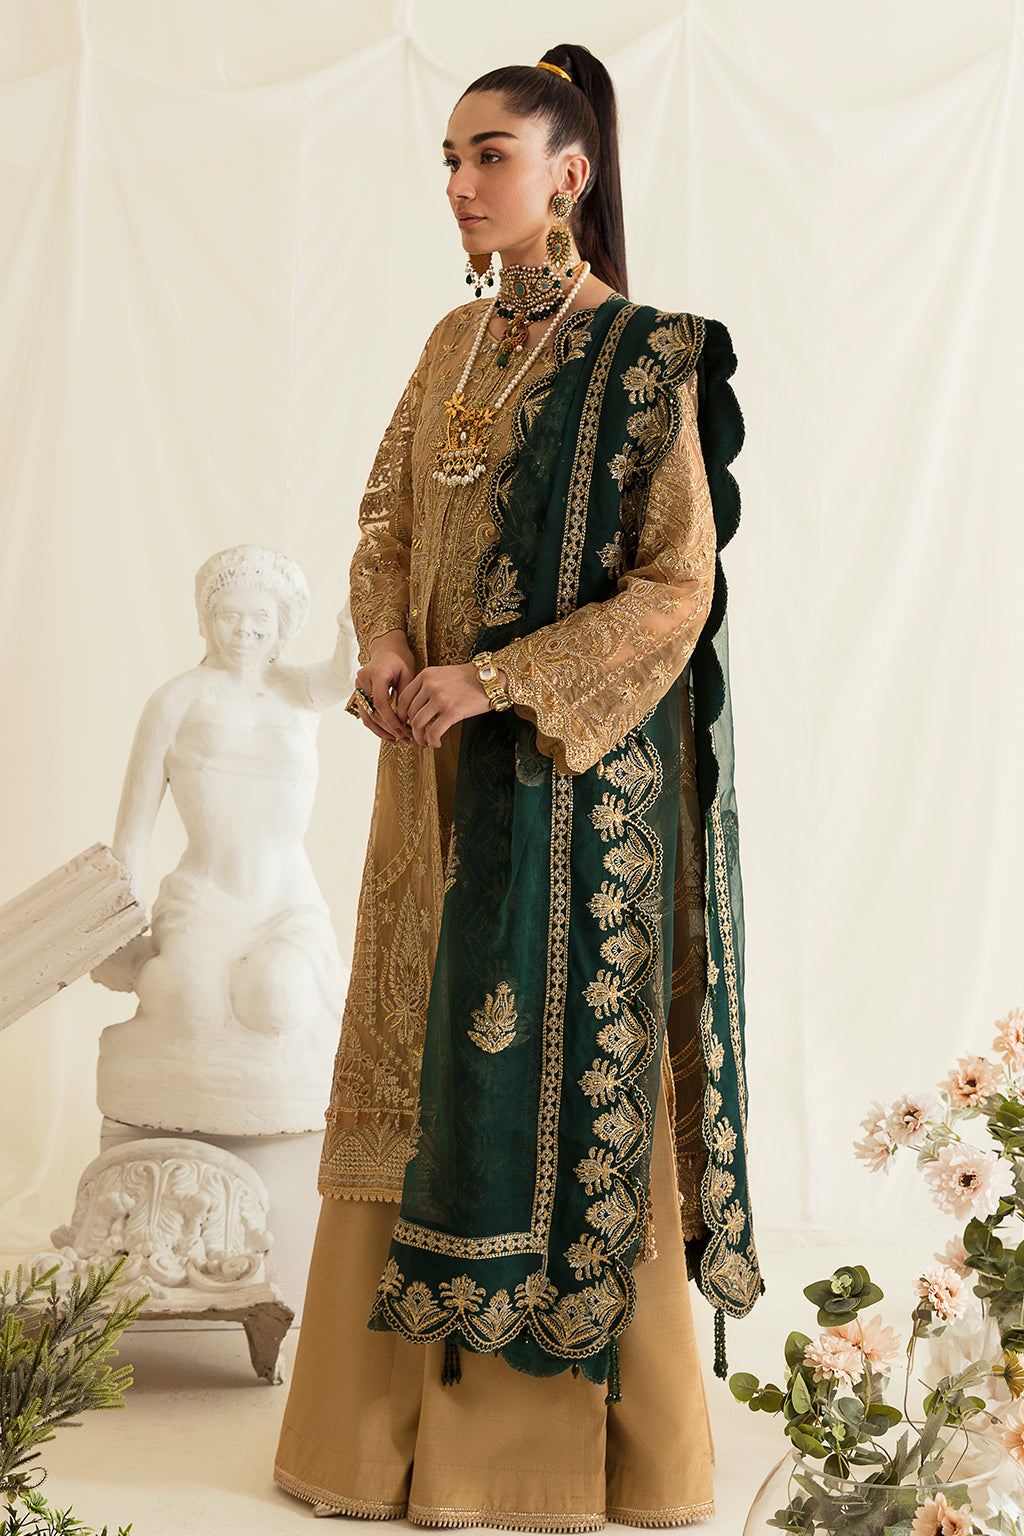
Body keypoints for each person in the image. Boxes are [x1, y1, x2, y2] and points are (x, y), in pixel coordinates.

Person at [275, 44, 759, 1530]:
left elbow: (677, 586)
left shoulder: (645, 357)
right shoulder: (452, 345)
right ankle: (373, 1445)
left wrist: (494, 680)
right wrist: (382, 644)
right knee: (406, 1061)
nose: (460, 182)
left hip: (564, 797)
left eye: (490, 154)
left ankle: (540, 1467)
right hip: (426, 793)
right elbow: (382, 522)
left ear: (570, 172)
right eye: (448, 156)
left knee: (537, 1071)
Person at [92, 545, 350, 1137]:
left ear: (282, 624)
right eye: (230, 615)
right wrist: (116, 931)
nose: (245, 630)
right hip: (204, 900)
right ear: (207, 618)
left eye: (260, 617)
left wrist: (353, 623)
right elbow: (133, 828)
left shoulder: (298, 692)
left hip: (286, 905)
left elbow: (339, 680)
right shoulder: (176, 700)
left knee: (277, 999)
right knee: (186, 1005)